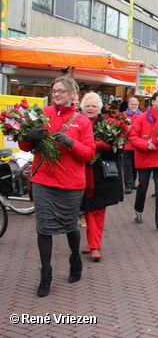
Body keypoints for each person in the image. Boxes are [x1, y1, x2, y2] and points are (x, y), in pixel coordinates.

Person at [19, 76, 96, 297]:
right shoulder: (42, 114)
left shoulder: (81, 121)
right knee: (43, 227)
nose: (57, 94)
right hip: (44, 179)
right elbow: (25, 145)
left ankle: (75, 260)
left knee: (70, 226)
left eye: (62, 91)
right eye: (54, 91)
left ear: (73, 95)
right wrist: (28, 137)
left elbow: (89, 154)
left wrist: (71, 143)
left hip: (71, 183)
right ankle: (46, 272)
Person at [79, 92, 124, 262]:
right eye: (88, 106)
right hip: (81, 172)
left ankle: (95, 246)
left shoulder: (108, 125)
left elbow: (118, 150)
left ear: (99, 108)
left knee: (97, 209)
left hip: (100, 175)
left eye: (94, 106)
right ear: (83, 108)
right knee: (87, 209)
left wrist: (104, 146)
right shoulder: (77, 123)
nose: (90, 109)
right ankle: (91, 242)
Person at [130, 92, 158, 232]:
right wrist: (145, 144)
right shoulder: (141, 118)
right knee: (143, 187)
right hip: (145, 158)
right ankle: (138, 211)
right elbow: (133, 137)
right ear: (152, 102)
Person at [123, 97, 142, 194]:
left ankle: (133, 182)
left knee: (135, 165)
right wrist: (127, 128)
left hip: (138, 145)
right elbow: (119, 129)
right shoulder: (123, 115)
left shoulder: (142, 116)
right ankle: (128, 185)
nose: (134, 106)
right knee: (127, 165)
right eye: (132, 104)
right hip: (127, 144)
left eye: (136, 105)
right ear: (128, 105)